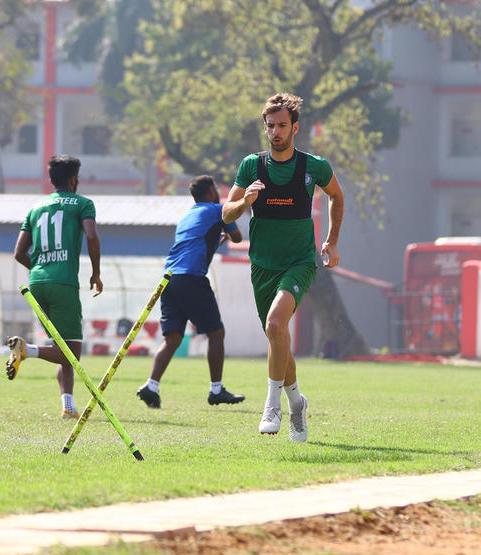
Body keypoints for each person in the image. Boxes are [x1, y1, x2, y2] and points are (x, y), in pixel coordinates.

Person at [221, 93, 345, 443]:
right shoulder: (251, 166)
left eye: (282, 126)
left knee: (277, 324)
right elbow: (225, 213)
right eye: (270, 126)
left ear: (295, 128)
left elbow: (337, 195)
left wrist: (332, 240)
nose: (275, 132)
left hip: (300, 262)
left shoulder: (313, 166)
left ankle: (272, 405)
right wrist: (244, 202)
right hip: (262, 265)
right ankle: (297, 403)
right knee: (277, 337)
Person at [4, 154, 103, 419]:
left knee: (62, 348)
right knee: (71, 353)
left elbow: (18, 253)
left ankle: (68, 407)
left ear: (51, 178)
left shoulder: (36, 208)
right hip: (64, 283)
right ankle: (26, 350)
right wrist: (96, 273)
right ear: (74, 179)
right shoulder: (83, 204)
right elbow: (92, 236)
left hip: (36, 283)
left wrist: (40, 270)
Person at [136, 175, 245, 409]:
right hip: (191, 277)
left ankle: (151, 386)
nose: (218, 193)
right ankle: (217, 390)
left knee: (172, 338)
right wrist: (227, 229)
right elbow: (238, 237)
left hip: (169, 280)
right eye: (215, 190)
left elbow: (195, 243)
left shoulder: (187, 215)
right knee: (216, 334)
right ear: (209, 194)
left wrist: (217, 239)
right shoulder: (218, 210)